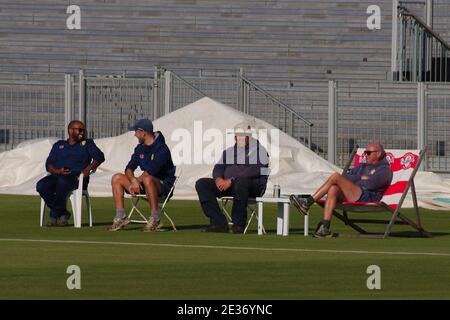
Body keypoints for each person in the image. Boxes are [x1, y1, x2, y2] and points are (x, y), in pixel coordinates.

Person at [290, 142, 393, 238]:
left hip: (368, 197)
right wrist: (360, 178)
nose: (365, 155)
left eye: (368, 153)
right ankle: (325, 227)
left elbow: (371, 184)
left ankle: (307, 203)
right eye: (365, 152)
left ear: (378, 154)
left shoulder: (384, 170)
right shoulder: (362, 166)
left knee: (335, 177)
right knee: (333, 188)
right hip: (356, 193)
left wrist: (353, 181)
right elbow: (346, 177)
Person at [195, 122, 269, 233]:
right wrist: (219, 179)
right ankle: (218, 222)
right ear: (235, 137)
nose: (242, 138)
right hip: (229, 185)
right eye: (239, 135)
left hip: (253, 187)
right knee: (202, 184)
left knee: (241, 182)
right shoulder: (228, 152)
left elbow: (254, 171)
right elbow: (218, 168)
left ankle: (238, 224)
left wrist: (231, 180)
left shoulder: (261, 151)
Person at [108, 118, 176, 232]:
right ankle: (121, 217)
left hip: (163, 187)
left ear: (143, 132)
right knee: (117, 178)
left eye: (136, 132)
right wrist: (133, 181)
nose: (135, 135)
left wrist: (136, 181)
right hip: (142, 183)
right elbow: (129, 168)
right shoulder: (140, 148)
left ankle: (155, 219)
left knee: (148, 178)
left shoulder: (162, 149)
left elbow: (150, 171)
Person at [36, 120, 105, 226]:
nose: (82, 132)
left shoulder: (87, 144)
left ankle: (54, 215)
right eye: (80, 130)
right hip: (58, 175)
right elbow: (49, 165)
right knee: (41, 185)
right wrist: (58, 171)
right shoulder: (59, 145)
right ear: (70, 131)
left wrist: (88, 168)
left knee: (62, 182)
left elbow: (100, 157)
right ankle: (62, 212)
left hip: (77, 177)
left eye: (84, 130)